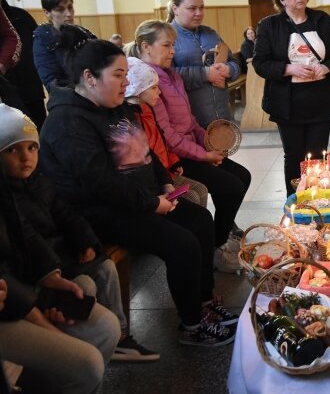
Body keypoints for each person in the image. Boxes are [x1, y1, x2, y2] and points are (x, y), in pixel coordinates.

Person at [38, 38, 237, 347]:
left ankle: (204, 302)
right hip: (97, 212)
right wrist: (150, 203)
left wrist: (164, 183)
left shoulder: (114, 108)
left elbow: (146, 152)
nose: (126, 81)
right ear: (90, 77)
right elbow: (99, 183)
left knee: (200, 221)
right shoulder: (67, 121)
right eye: (118, 74)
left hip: (138, 198)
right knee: (181, 243)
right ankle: (192, 324)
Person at [0, 103, 157, 362]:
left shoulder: (39, 181)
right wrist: (51, 272)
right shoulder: (8, 194)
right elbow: (26, 239)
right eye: (12, 150)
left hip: (61, 257)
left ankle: (120, 337)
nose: (25, 157)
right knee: (83, 286)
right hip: (42, 269)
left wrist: (86, 241)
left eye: (31, 148)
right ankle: (84, 342)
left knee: (104, 266)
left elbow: (66, 213)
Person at [128, 20, 250, 272]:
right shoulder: (147, 81)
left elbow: (189, 120)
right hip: (176, 157)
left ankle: (218, 239)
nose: (172, 51)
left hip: (191, 147)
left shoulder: (172, 74)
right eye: (166, 45)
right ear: (145, 47)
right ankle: (215, 246)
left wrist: (209, 143)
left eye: (173, 45)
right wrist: (204, 155)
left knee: (242, 176)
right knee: (230, 186)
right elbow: (168, 136)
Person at [0, 172, 121, 394]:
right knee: (85, 366)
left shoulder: (30, 181)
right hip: (11, 304)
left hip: (18, 289)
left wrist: (49, 275)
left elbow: (20, 229)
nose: (25, 157)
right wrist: (34, 314)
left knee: (106, 327)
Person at [252, 0, 330, 196]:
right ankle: (294, 202)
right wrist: (289, 68)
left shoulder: (321, 20)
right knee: (294, 156)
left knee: (316, 156)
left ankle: (316, 200)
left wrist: (326, 67)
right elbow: (260, 63)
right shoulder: (269, 25)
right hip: (287, 101)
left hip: (320, 99)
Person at [123, 57, 209, 207]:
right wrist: (164, 178)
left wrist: (173, 161)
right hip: (155, 178)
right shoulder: (130, 117)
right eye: (154, 87)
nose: (159, 91)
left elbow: (161, 138)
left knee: (200, 190)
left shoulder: (147, 108)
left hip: (166, 170)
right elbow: (147, 153)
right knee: (193, 198)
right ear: (137, 91)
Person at [167, 0, 241, 128]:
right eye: (192, 8)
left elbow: (234, 62)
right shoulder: (166, 36)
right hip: (190, 121)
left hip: (221, 114)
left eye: (202, 7)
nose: (199, 13)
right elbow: (166, 75)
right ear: (175, 8)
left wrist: (229, 70)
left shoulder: (210, 33)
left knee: (221, 150)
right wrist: (205, 74)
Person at [32, 0, 96, 91]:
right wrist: (85, 90)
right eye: (60, 9)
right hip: (69, 99)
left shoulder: (84, 33)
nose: (69, 14)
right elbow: (52, 82)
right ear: (47, 13)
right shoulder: (43, 38)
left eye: (70, 7)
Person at [1, 0, 46, 128]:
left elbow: (38, 49)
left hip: (30, 89)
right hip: (6, 91)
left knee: (38, 130)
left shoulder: (22, 16)